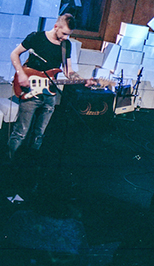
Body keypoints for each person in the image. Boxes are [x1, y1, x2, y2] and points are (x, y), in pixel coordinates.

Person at [8, 13, 91, 160]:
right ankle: (10, 161)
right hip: (30, 91)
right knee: (21, 132)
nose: (65, 37)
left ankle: (31, 161)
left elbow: (68, 71)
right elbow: (14, 54)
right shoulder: (36, 37)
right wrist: (20, 74)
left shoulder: (66, 45)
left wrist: (82, 80)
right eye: (64, 33)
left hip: (50, 94)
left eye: (68, 34)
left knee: (39, 133)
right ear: (56, 26)